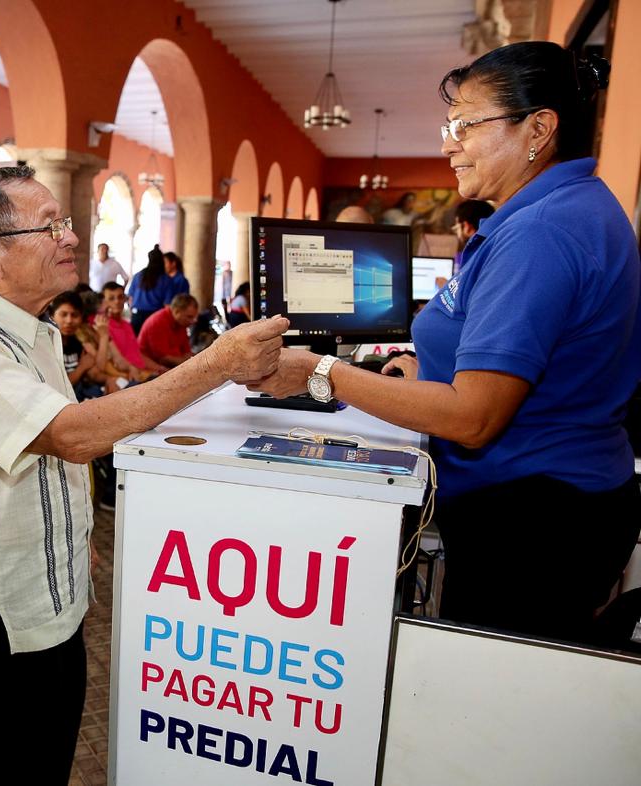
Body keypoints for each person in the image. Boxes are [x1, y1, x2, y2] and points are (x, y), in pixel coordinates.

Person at [251, 42, 640, 645]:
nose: (447, 144)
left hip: (535, 520)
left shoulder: (541, 234)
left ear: (539, 127)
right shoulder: (559, 210)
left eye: (465, 125)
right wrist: (423, 366)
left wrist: (318, 372)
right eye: (447, 124)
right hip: (561, 497)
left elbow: (474, 417)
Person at [0, 165, 286, 784]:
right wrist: (217, 364)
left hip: (54, 588)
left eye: (66, 221)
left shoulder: (30, 329)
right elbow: (74, 434)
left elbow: (49, 458)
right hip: (5, 611)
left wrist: (74, 534)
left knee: (44, 762)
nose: (70, 237)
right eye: (50, 226)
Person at [97, 282, 166, 377]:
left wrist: (160, 368)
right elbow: (116, 362)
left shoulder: (126, 325)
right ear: (103, 302)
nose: (117, 301)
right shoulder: (102, 326)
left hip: (143, 373)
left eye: (120, 297)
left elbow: (138, 355)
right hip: (128, 377)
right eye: (111, 298)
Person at [138, 293, 198, 368]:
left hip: (170, 367)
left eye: (194, 317)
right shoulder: (157, 323)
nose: (193, 321)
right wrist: (190, 363)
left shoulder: (180, 323)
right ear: (176, 311)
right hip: (152, 369)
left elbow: (186, 352)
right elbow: (163, 359)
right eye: (189, 317)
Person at [126, 246, 172, 334]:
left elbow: (130, 298)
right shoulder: (166, 279)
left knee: (136, 344)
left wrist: (133, 312)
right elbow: (167, 305)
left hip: (137, 316)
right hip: (156, 317)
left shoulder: (138, 276)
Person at [451, 198, 495, 273]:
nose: (457, 233)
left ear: (467, 227)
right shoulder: (497, 248)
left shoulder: (466, 257)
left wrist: (448, 284)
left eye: (456, 228)